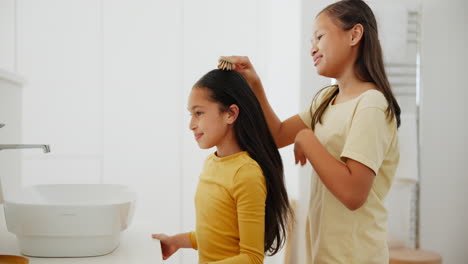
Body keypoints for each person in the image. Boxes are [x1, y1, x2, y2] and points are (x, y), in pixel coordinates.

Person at [224, 0, 401, 263]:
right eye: (311, 41)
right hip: (325, 254)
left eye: (319, 36)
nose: (312, 48)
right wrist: (255, 83)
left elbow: (353, 194)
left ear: (354, 35)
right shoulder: (327, 99)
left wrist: (307, 139)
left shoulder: (371, 105)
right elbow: (278, 134)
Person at [152, 69, 291, 264]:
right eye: (191, 114)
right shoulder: (211, 163)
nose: (191, 124)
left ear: (231, 114)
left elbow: (252, 258)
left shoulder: (246, 173)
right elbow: (217, 235)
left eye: (199, 113)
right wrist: (175, 242)